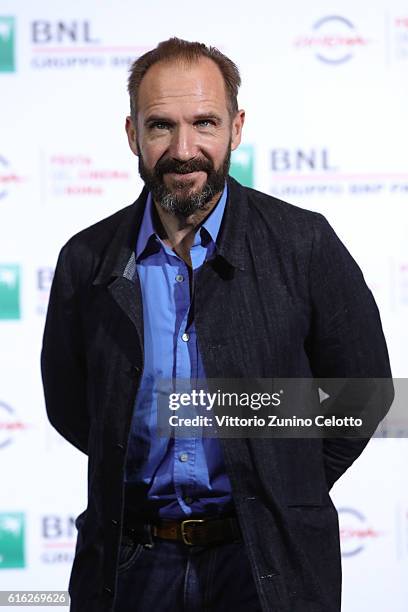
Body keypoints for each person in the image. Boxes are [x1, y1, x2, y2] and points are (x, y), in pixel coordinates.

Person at [41, 38, 393, 612]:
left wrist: (285, 481)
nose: (184, 149)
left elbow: (367, 392)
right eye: (161, 126)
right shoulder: (86, 259)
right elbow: (72, 407)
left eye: (204, 122)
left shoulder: (303, 243)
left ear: (236, 128)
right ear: (132, 134)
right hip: (132, 563)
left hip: (269, 563)